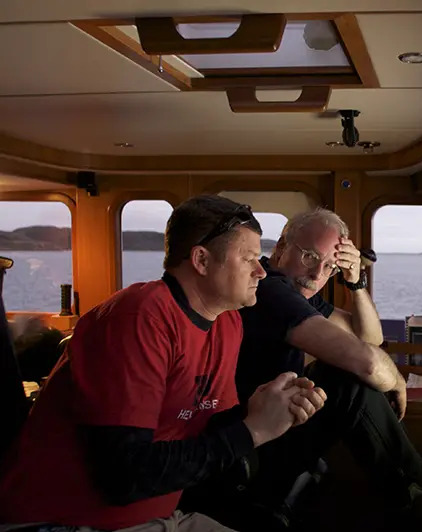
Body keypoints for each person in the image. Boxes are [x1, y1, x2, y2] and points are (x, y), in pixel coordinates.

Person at [0, 195, 326, 532]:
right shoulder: (139, 317)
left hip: (153, 517)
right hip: (62, 521)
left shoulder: (227, 323)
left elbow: (205, 425)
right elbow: (123, 476)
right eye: (248, 259)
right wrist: (252, 429)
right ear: (201, 259)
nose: (261, 270)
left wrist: (262, 408)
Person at [182, 208, 422, 529]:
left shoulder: (299, 294)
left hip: (271, 427)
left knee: (345, 373)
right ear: (281, 247)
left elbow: (369, 337)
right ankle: (409, 497)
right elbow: (367, 361)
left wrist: (354, 283)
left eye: (329, 267)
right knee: (345, 377)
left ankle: (415, 476)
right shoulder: (270, 289)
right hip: (250, 445)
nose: (316, 275)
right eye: (310, 256)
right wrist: (396, 380)